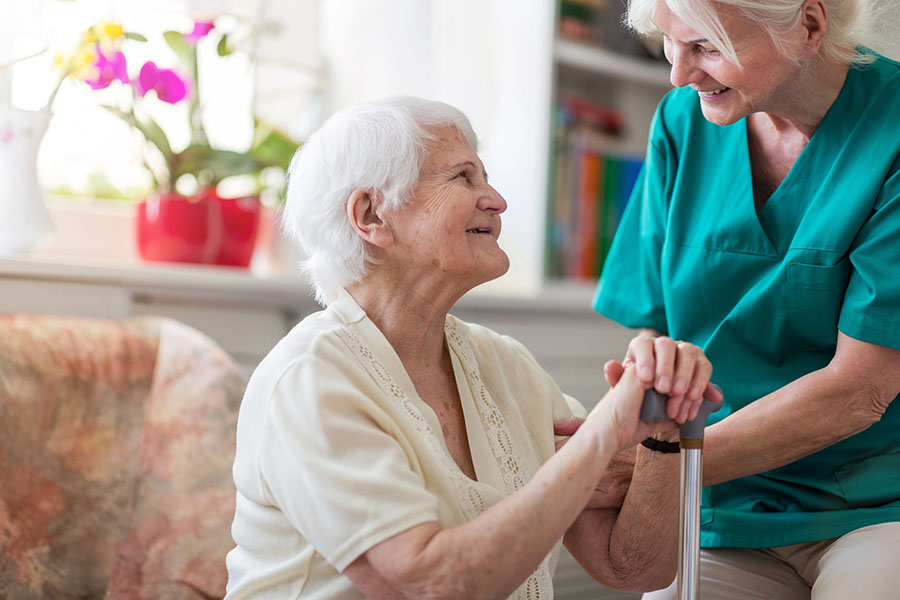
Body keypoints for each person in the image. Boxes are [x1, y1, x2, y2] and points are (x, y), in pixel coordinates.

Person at [224, 96, 722, 599]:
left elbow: (631, 569)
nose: (497, 200)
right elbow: (430, 584)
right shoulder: (310, 378)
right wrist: (605, 433)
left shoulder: (507, 365)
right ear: (371, 214)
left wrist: (661, 432)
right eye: (464, 178)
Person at [592, 0, 900, 597]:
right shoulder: (681, 122)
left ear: (808, 27)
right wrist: (650, 383)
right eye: (670, 43)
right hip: (717, 506)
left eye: (705, 47)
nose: (678, 75)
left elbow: (861, 390)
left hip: (874, 504)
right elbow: (654, 330)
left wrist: (657, 461)